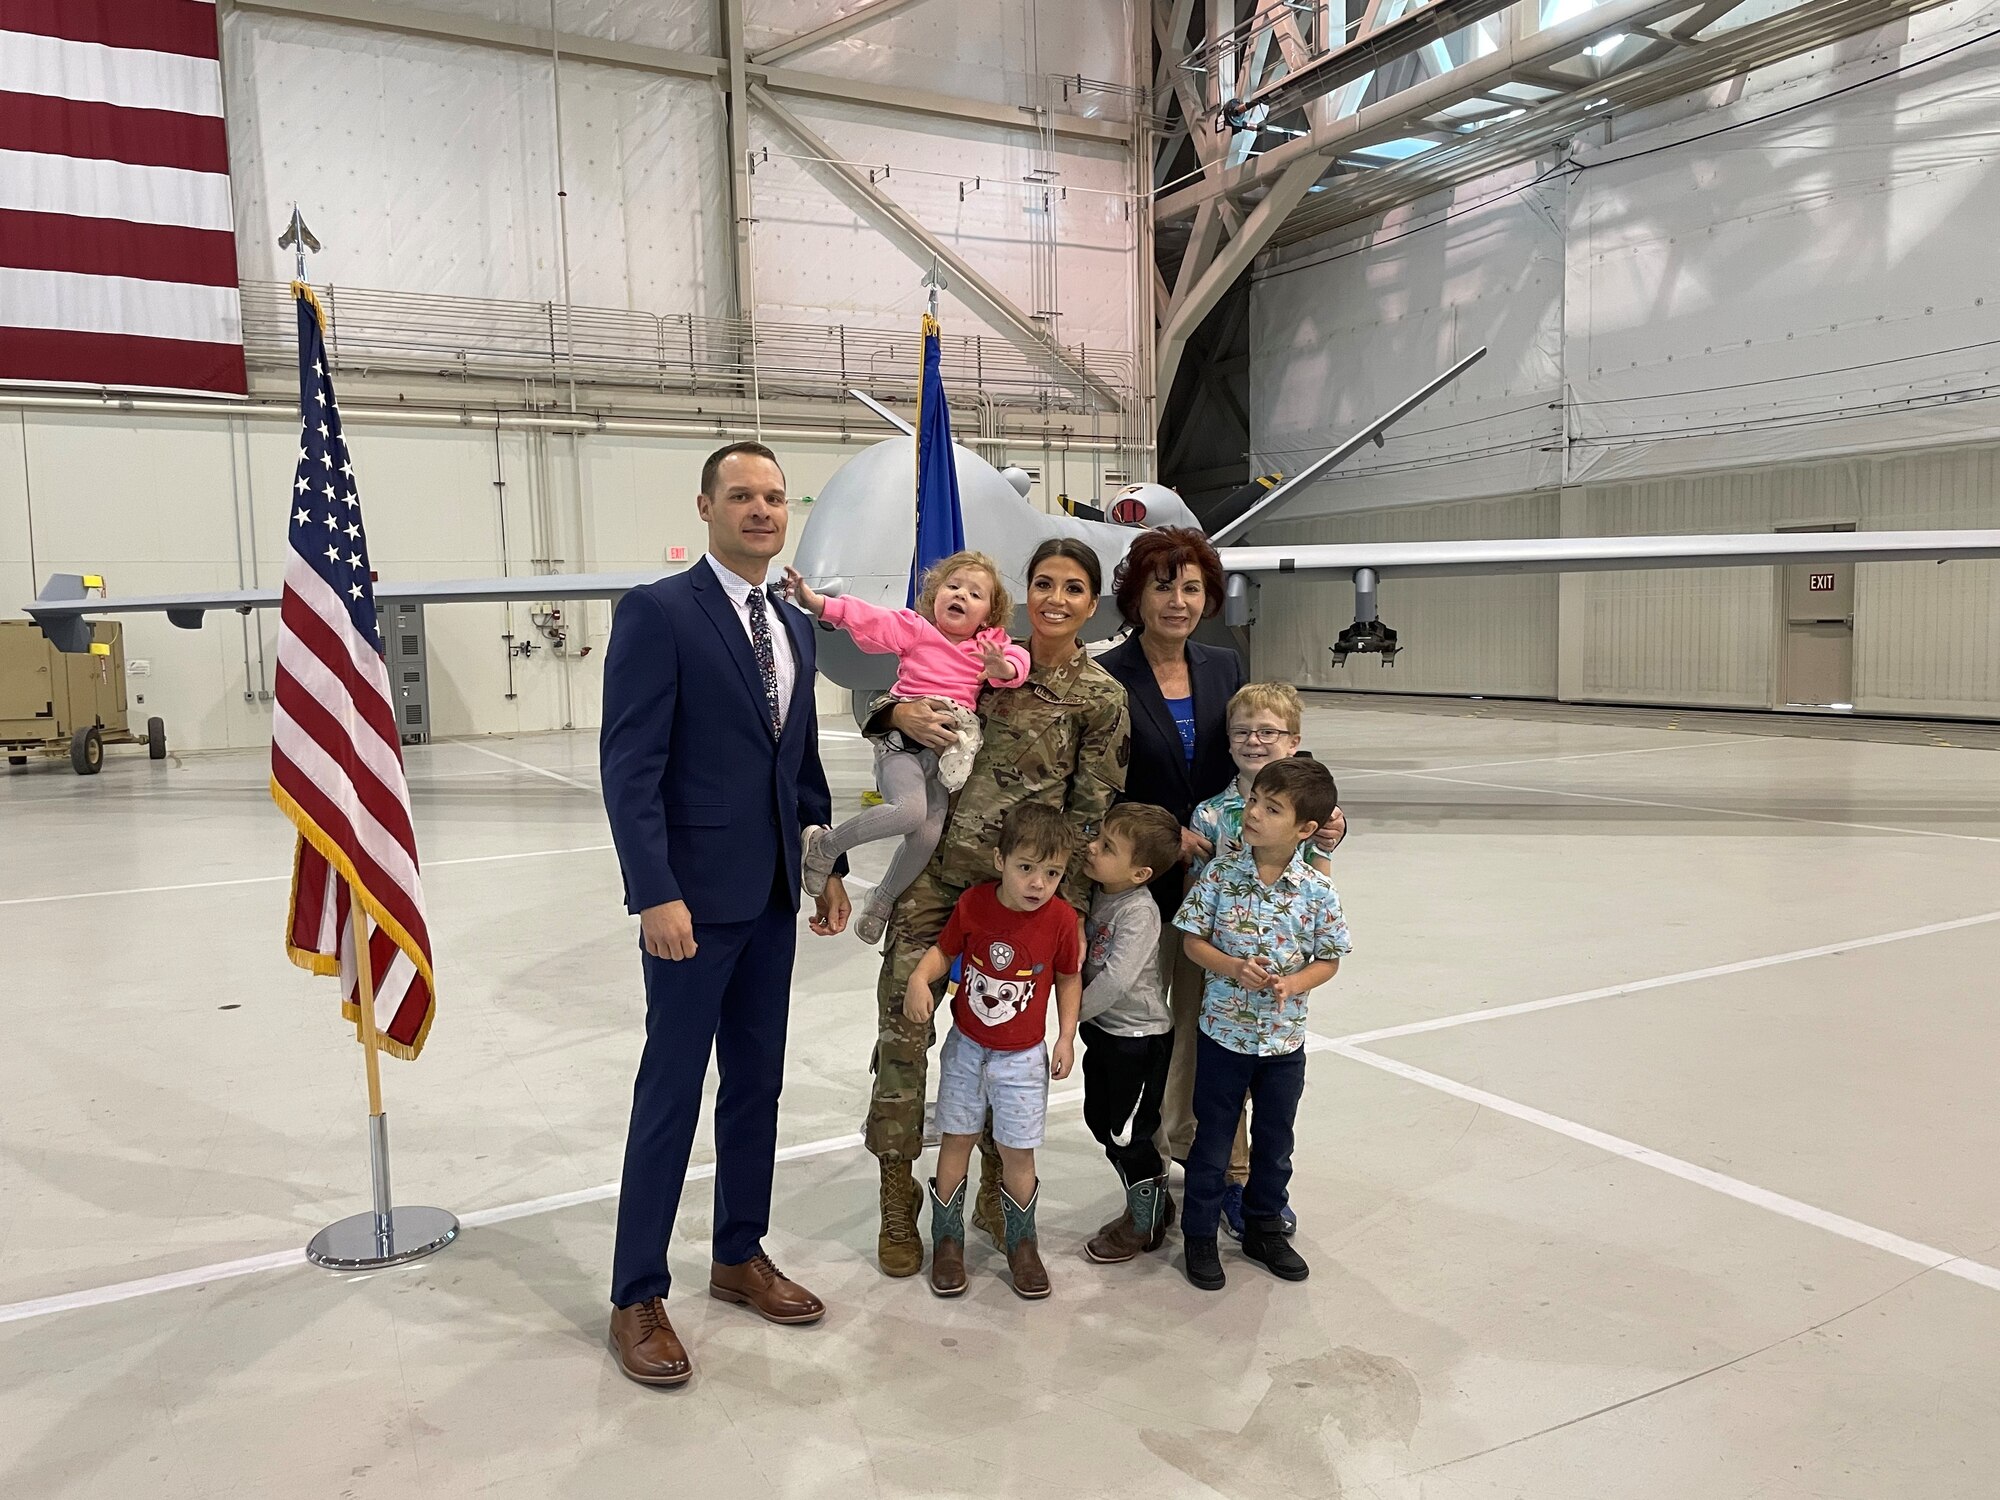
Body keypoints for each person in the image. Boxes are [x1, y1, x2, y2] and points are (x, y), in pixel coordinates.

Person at [598, 440, 853, 1388]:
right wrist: (655, 890)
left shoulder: (793, 623)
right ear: (703, 506)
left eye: (775, 496)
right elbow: (630, 769)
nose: (760, 509)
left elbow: (802, 764)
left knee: (758, 1085)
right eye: (741, 494)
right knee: (670, 1092)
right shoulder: (658, 613)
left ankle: (739, 1253)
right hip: (692, 905)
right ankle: (636, 1294)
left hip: (777, 895)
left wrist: (821, 865)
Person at [864, 537, 1130, 1279]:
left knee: (1001, 1043)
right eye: (1043, 583)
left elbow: (1090, 810)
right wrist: (898, 714)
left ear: (1091, 601)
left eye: (1073, 588)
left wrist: (1065, 907)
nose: (1055, 599)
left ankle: (989, 1195)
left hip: (1019, 900)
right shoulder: (987, 655)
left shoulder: (1100, 698)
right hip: (939, 878)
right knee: (901, 1031)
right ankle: (897, 1195)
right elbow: (901, 696)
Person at [1096, 528, 1345, 1217]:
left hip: (1232, 892)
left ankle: (1226, 1172)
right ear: (1137, 594)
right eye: (1163, 585)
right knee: (1149, 1037)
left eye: (1192, 587)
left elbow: (1272, 753)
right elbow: (1091, 782)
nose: (1177, 600)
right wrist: (1159, 831)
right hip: (1146, 885)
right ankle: (1152, 1160)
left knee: (1222, 1032)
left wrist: (1324, 815)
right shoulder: (1110, 675)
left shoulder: (1221, 664)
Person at [785, 551, 1029, 944]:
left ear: (988, 613)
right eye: (952, 586)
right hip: (901, 747)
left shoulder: (988, 644)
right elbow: (867, 617)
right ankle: (823, 845)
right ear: (934, 594)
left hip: (944, 757)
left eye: (974, 593)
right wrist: (817, 604)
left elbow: (1018, 660)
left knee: (926, 836)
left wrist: (1002, 668)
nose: (960, 595)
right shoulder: (917, 629)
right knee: (908, 812)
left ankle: (882, 900)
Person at [1174, 757, 1351, 1293]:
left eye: (1271, 809)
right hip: (1224, 1036)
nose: (1253, 813)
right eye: (1254, 801)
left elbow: (1331, 958)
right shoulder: (1221, 875)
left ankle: (1264, 1226)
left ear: (1305, 830)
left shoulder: (1317, 892)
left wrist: (1294, 984)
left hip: (1283, 1043)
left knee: (1276, 1142)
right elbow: (1191, 941)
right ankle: (1200, 1235)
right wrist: (1230, 967)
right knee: (1213, 1140)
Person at [902, 803, 1083, 1299]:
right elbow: (945, 949)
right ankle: (947, 1243)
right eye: (1027, 868)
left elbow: (1069, 976)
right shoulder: (975, 904)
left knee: (1016, 1154)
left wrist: (1066, 1035)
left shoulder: (1062, 919)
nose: (1038, 883)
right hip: (966, 1050)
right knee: (956, 1141)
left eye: (1052, 873)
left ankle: (1023, 1245)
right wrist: (920, 976)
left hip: (1023, 1059)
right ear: (1000, 859)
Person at [1075, 801, 1184, 1265]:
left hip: (1138, 1041)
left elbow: (1117, 980)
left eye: (1106, 847)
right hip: (1105, 1032)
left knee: (1127, 1134)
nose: (1092, 848)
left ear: (1140, 873)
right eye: (1097, 837)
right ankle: (1155, 1206)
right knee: (1102, 1121)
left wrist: (1067, 1017)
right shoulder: (1099, 890)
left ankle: (1142, 1222)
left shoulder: (1138, 912)